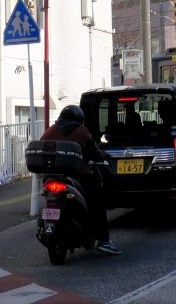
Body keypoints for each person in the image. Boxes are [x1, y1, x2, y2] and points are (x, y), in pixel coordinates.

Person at [40, 104, 119, 256]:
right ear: (79, 118)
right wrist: (103, 156)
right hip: (79, 177)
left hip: (52, 177)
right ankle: (104, 240)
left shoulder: (50, 130)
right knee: (97, 202)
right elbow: (93, 152)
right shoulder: (81, 132)